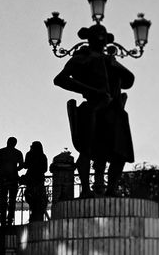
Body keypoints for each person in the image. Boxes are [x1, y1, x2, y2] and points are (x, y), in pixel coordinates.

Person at [54, 24, 134, 197]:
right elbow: (60, 79)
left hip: (114, 112)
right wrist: (91, 91)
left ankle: (111, 189)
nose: (100, 39)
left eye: (103, 36)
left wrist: (116, 65)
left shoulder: (109, 60)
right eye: (97, 36)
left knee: (120, 153)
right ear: (89, 38)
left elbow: (129, 80)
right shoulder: (81, 58)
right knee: (87, 150)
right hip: (93, 108)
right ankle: (86, 190)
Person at [0, 137, 23, 226]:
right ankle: (10, 221)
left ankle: (3, 221)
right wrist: (14, 168)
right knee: (12, 201)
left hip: (3, 180)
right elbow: (21, 166)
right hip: (13, 179)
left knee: (3, 201)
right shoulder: (18, 153)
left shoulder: (0, 152)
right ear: (15, 143)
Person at [22, 141, 48, 222]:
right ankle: (36, 215)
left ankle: (34, 215)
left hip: (31, 179)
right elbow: (45, 169)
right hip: (39, 179)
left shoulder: (29, 154)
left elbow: (25, 166)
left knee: (31, 197)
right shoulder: (43, 156)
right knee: (38, 199)